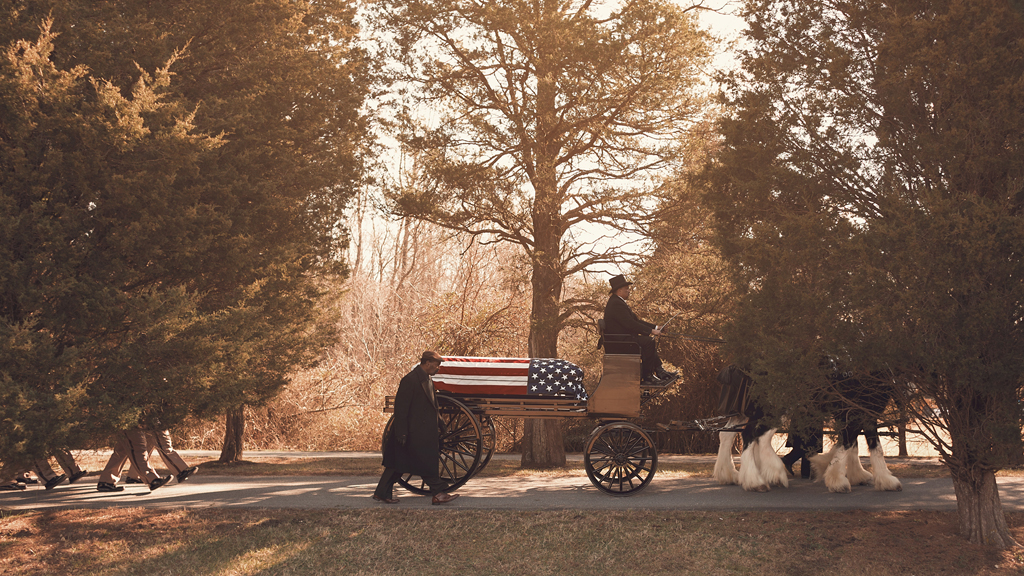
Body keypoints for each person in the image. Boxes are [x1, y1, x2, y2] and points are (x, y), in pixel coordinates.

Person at [373, 351, 459, 505]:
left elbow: (433, 406)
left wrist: (441, 423)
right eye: (437, 364)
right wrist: (401, 433)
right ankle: (438, 493)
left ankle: (381, 493)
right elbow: (401, 409)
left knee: (397, 465)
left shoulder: (428, 380)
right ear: (427, 363)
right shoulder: (410, 380)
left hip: (422, 432)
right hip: (411, 432)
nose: (438, 367)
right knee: (424, 462)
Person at [603, 274, 677, 386]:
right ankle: (648, 377)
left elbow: (636, 320)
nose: (629, 291)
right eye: (627, 289)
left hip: (624, 339)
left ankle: (660, 371)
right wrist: (651, 332)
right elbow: (630, 324)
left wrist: (656, 328)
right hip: (620, 342)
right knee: (648, 342)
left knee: (648, 341)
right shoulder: (616, 304)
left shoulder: (618, 302)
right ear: (619, 290)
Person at [96, 429, 172, 493]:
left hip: (127, 421)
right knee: (138, 449)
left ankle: (106, 481)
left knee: (121, 451)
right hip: (131, 422)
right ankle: (152, 479)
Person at [124, 429, 199, 485]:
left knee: (145, 445)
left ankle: (132, 475)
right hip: (151, 414)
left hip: (146, 415)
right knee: (162, 441)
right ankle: (180, 471)